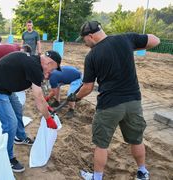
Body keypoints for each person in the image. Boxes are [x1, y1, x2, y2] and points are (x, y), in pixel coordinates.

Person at [68, 21, 160, 180]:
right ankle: (142, 172)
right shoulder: (125, 39)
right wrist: (131, 47)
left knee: (101, 144)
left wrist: (75, 97)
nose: (85, 44)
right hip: (134, 102)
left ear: (91, 36)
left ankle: (97, 177)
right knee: (137, 140)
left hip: (109, 105)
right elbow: (155, 40)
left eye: (85, 40)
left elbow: (88, 87)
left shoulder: (92, 56)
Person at [0, 50, 61, 173]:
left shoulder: (34, 62)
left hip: (6, 87)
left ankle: (20, 137)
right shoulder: (34, 67)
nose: (51, 72)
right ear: (49, 62)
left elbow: (40, 96)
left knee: (18, 110)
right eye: (52, 69)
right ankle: (6, 157)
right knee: (10, 123)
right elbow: (38, 97)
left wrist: (47, 107)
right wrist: (48, 118)